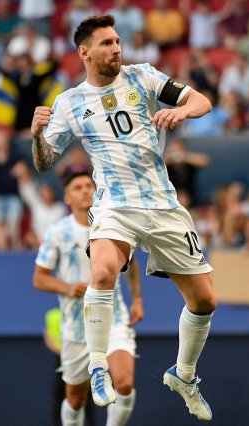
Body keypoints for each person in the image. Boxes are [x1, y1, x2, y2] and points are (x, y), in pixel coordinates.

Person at [30, 15, 217, 421]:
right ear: (84, 52)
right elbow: (44, 162)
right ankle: (98, 365)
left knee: (204, 300)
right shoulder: (70, 103)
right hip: (114, 204)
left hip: (162, 204)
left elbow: (202, 101)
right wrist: (36, 135)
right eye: (107, 43)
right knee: (101, 272)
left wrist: (183, 112)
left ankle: (184, 375)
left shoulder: (143, 77)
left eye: (117, 41)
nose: (117, 48)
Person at [33, 172, 143, 426]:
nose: (85, 190)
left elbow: (132, 264)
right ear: (67, 197)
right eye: (77, 187)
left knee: (124, 384)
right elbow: (39, 278)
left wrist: (137, 299)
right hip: (76, 328)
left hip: (114, 319)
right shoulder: (57, 232)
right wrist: (67, 287)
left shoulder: (115, 226)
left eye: (88, 186)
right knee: (75, 399)